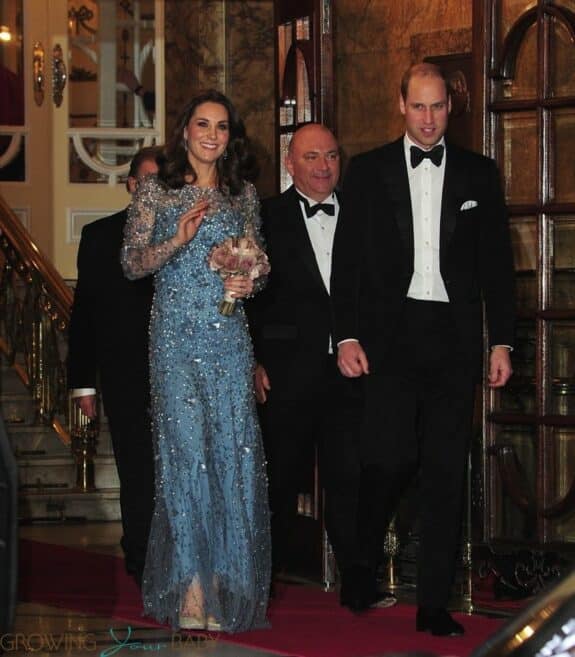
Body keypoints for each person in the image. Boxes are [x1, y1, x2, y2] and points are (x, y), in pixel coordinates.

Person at [331, 63, 515, 636]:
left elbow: (497, 268)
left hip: (454, 339)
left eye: (437, 107)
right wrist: (347, 334)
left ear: (449, 108)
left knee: (444, 470)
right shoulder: (368, 171)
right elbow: (347, 262)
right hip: (390, 335)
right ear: (400, 104)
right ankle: (360, 559)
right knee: (388, 458)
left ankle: (433, 602)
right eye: (418, 107)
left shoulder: (479, 174)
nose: (428, 118)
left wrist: (502, 340)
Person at [121, 90, 270, 633]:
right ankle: (190, 588)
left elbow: (259, 263)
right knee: (186, 458)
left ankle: (227, 583)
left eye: (222, 126)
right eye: (202, 124)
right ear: (184, 132)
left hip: (230, 340)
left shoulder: (243, 194)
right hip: (176, 343)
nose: (212, 134)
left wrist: (248, 279)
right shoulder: (157, 193)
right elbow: (132, 264)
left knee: (230, 456)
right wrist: (177, 243)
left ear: (231, 136)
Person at [246, 123, 395, 612]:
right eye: (311, 157)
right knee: (280, 480)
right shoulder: (264, 218)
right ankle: (261, 580)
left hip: (351, 374)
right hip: (287, 373)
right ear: (290, 164)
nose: (323, 166)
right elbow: (246, 299)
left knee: (350, 478)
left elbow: (378, 289)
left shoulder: (362, 214)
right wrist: (253, 360)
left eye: (331, 156)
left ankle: (356, 582)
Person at [67, 145, 160, 587]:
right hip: (124, 375)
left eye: (161, 182)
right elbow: (84, 313)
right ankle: (141, 556)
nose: (151, 190)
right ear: (129, 184)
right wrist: (82, 383)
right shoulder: (100, 236)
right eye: (144, 181)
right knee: (137, 468)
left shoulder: (186, 234)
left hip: (179, 370)